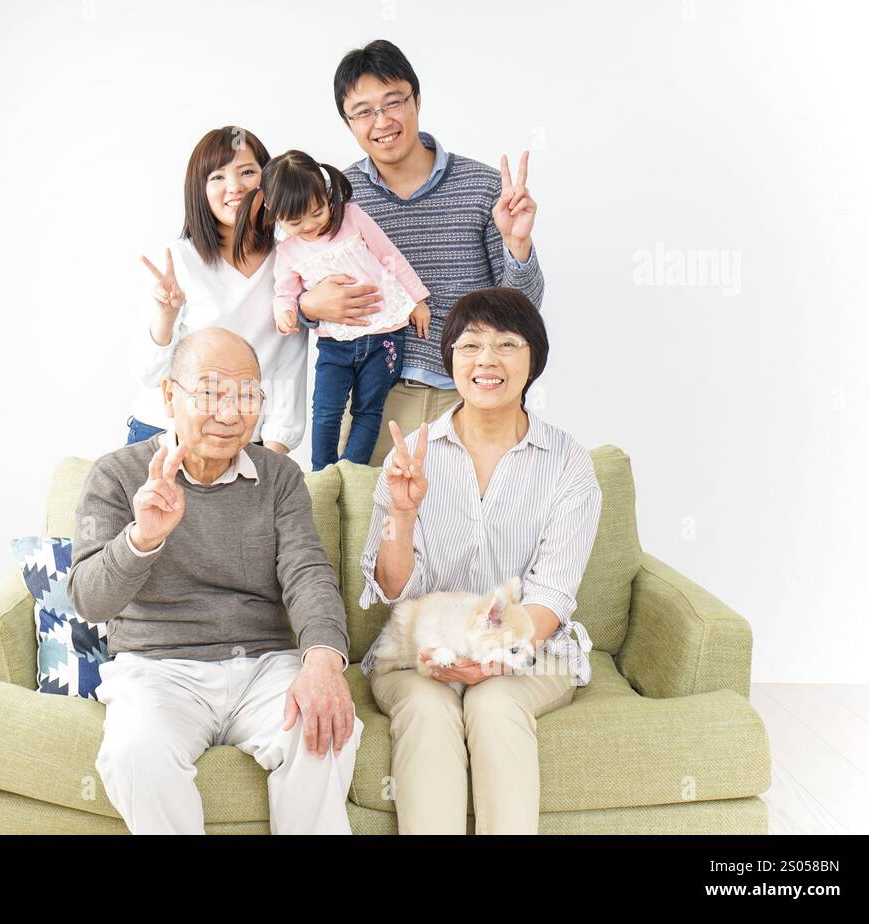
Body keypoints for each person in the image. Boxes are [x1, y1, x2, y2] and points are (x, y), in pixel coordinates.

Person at [72, 326, 364, 834]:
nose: (230, 414)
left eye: (247, 394)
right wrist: (141, 539)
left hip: (264, 667)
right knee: (134, 753)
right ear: (169, 394)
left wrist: (321, 661)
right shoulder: (115, 475)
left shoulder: (280, 477)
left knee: (326, 732)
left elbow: (308, 574)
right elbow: (89, 600)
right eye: (210, 392)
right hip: (158, 670)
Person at [357, 287, 601, 834]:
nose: (486, 360)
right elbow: (393, 591)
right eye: (470, 346)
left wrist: (495, 662)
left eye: (506, 344)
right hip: (420, 652)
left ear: (532, 360)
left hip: (530, 650)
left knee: (492, 705)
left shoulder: (568, 465)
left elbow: (552, 596)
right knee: (426, 707)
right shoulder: (411, 456)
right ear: (451, 360)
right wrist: (402, 512)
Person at [297, 39, 547, 466]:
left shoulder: (483, 188)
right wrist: (306, 306)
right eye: (364, 111)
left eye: (393, 102)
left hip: (466, 394)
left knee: (468, 528)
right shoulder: (336, 198)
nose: (382, 121)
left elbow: (522, 309)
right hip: (369, 400)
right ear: (348, 122)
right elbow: (294, 277)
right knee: (362, 526)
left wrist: (517, 245)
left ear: (417, 101)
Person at [229, 149, 430, 472]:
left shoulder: (352, 217)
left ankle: (351, 471)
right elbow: (284, 292)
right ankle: (322, 472)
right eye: (296, 221)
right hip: (335, 345)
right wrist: (285, 313)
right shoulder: (289, 252)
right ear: (273, 212)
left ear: (326, 194)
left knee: (369, 409)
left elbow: (389, 254)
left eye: (317, 212)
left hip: (384, 335)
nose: (309, 225)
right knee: (326, 411)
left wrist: (417, 299)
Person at [123, 126, 307, 454]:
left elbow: (289, 368)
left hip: (241, 439)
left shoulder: (290, 261)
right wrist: (167, 315)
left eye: (247, 172)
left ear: (268, 182)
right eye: (217, 177)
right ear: (200, 191)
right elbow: (149, 375)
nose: (234, 187)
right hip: (165, 433)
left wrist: (274, 456)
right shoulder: (176, 261)